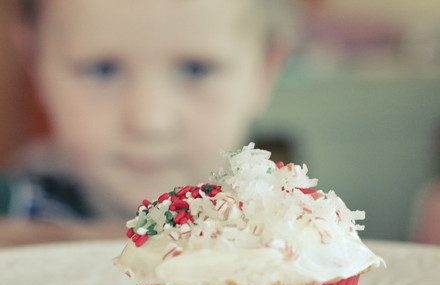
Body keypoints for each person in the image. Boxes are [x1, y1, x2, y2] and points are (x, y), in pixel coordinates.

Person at [0, 0, 297, 245]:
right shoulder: (10, 217)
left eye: (196, 69)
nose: (150, 122)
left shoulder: (301, 236)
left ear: (266, 71)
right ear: (34, 61)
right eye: (102, 70)